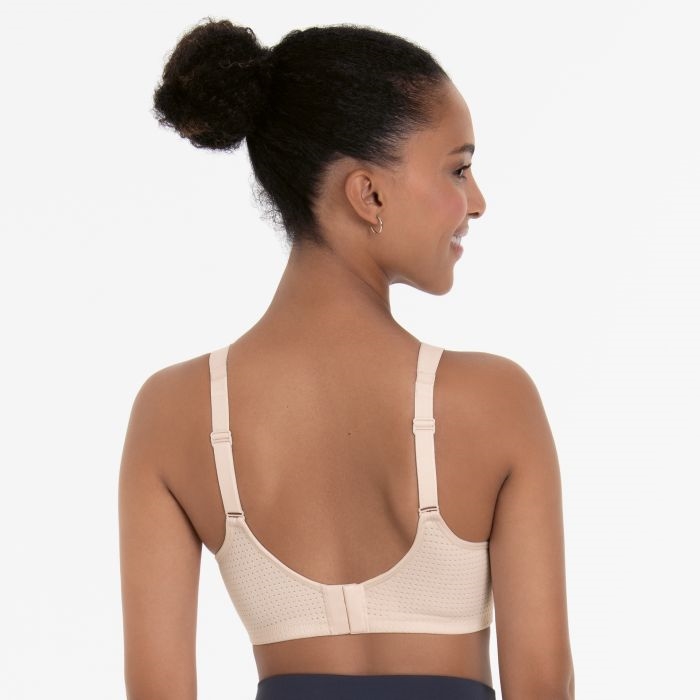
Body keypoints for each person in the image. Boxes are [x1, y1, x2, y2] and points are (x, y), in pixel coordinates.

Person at [118, 18, 575, 700]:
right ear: (368, 194)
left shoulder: (174, 412)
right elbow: (542, 687)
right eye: (458, 168)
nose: (476, 202)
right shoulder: (494, 401)